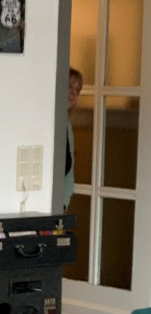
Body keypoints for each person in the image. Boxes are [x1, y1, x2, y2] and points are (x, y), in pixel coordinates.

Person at [65, 67, 83, 211]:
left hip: (60, 203)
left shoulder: (67, 127)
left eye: (77, 90)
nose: (73, 92)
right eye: (70, 86)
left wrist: (65, 202)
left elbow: (69, 172)